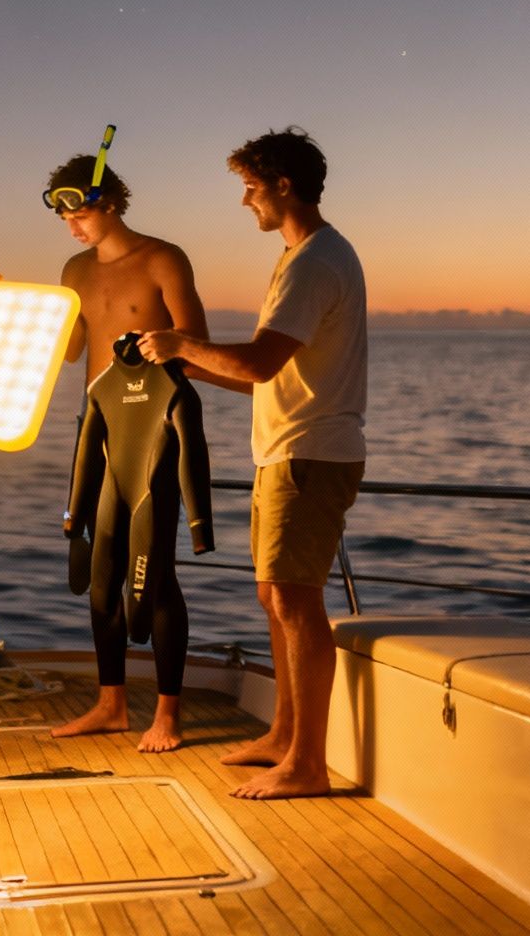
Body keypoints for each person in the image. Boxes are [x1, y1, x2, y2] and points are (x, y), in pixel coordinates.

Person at [138, 126, 367, 799]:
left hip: (309, 454)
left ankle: (308, 763)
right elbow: (269, 375)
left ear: (283, 186)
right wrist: (187, 364)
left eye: (250, 187)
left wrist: (183, 343)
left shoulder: (315, 263)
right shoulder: (304, 257)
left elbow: (262, 360)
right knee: (274, 596)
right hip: (285, 450)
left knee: (295, 599)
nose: (245, 201)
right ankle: (284, 736)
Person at [41, 153, 210, 753]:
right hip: (98, 425)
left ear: (109, 203)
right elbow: (68, 350)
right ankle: (110, 705)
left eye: (80, 215)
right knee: (100, 572)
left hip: (154, 427)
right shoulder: (74, 269)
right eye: (64, 219)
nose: (72, 227)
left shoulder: (163, 258)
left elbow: (198, 346)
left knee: (156, 574)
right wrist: (6, 302)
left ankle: (168, 714)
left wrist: (164, 347)